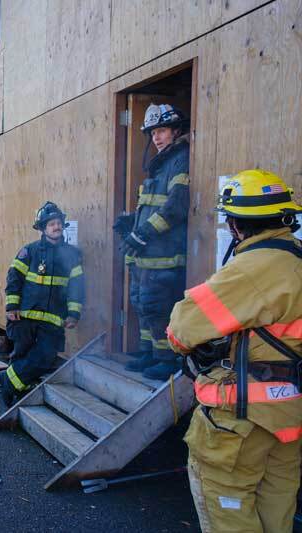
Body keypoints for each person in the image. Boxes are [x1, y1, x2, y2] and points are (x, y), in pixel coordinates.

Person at [166, 169, 302, 533]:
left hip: (241, 419)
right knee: (277, 513)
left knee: (228, 510)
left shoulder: (252, 270)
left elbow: (181, 329)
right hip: (289, 417)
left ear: (236, 224)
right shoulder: (296, 260)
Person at [116, 103, 190, 380]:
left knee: (157, 307)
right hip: (145, 257)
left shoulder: (180, 160)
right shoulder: (161, 165)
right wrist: (132, 223)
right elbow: (152, 206)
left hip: (164, 257)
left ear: (175, 130)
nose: (156, 137)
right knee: (142, 304)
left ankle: (167, 359)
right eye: (152, 132)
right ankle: (150, 352)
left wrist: (142, 233)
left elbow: (175, 207)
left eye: (161, 131)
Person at [0, 202, 85, 407]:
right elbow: (14, 278)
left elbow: (77, 287)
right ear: (43, 228)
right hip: (24, 316)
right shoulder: (29, 251)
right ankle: (20, 391)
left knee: (46, 357)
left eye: (59, 223)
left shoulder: (72, 255)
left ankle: (8, 380)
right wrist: (12, 307)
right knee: (21, 354)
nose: (56, 227)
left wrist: (74, 313)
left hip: (53, 319)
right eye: (51, 224)